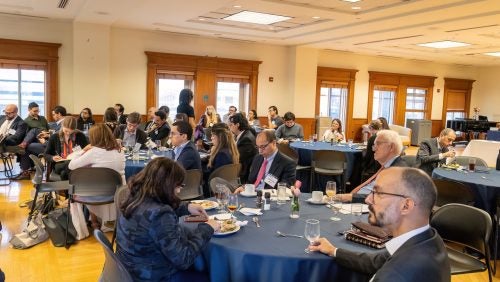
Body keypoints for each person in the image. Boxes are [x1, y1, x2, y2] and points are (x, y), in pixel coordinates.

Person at [309, 167, 450, 282]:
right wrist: (334, 250)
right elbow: (376, 261)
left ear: (406, 206)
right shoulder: (428, 239)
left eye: (377, 193)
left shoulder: (398, 275)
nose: (368, 200)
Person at [116, 157, 219, 282]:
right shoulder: (161, 214)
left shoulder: (134, 196)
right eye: (178, 185)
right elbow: (184, 259)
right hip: (154, 275)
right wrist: (207, 228)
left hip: (128, 269)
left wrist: (187, 207)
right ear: (166, 185)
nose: (180, 189)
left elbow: (150, 212)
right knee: (212, 275)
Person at [68, 123, 125, 230]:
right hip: (117, 192)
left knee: (89, 184)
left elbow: (71, 165)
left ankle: (94, 222)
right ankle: (97, 220)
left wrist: (83, 150)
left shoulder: (93, 152)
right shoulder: (120, 150)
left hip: (97, 192)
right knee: (95, 182)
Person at [338, 130, 407, 203]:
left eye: (378, 144)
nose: (373, 149)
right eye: (374, 145)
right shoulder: (385, 167)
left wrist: (351, 197)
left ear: (391, 147)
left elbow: (383, 197)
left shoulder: (398, 171)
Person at [15, 103, 50, 180]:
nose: (37, 113)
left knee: (26, 146)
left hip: (46, 140)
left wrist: (46, 134)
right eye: (35, 111)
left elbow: (49, 130)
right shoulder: (26, 121)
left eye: (38, 111)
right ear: (29, 110)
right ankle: (25, 171)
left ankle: (25, 172)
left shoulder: (43, 118)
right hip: (35, 141)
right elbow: (27, 135)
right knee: (34, 131)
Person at [228, 113, 258, 183]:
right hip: (241, 168)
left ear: (237, 125)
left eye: (231, 125)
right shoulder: (244, 134)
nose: (229, 127)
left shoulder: (246, 139)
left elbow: (236, 157)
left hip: (243, 174)